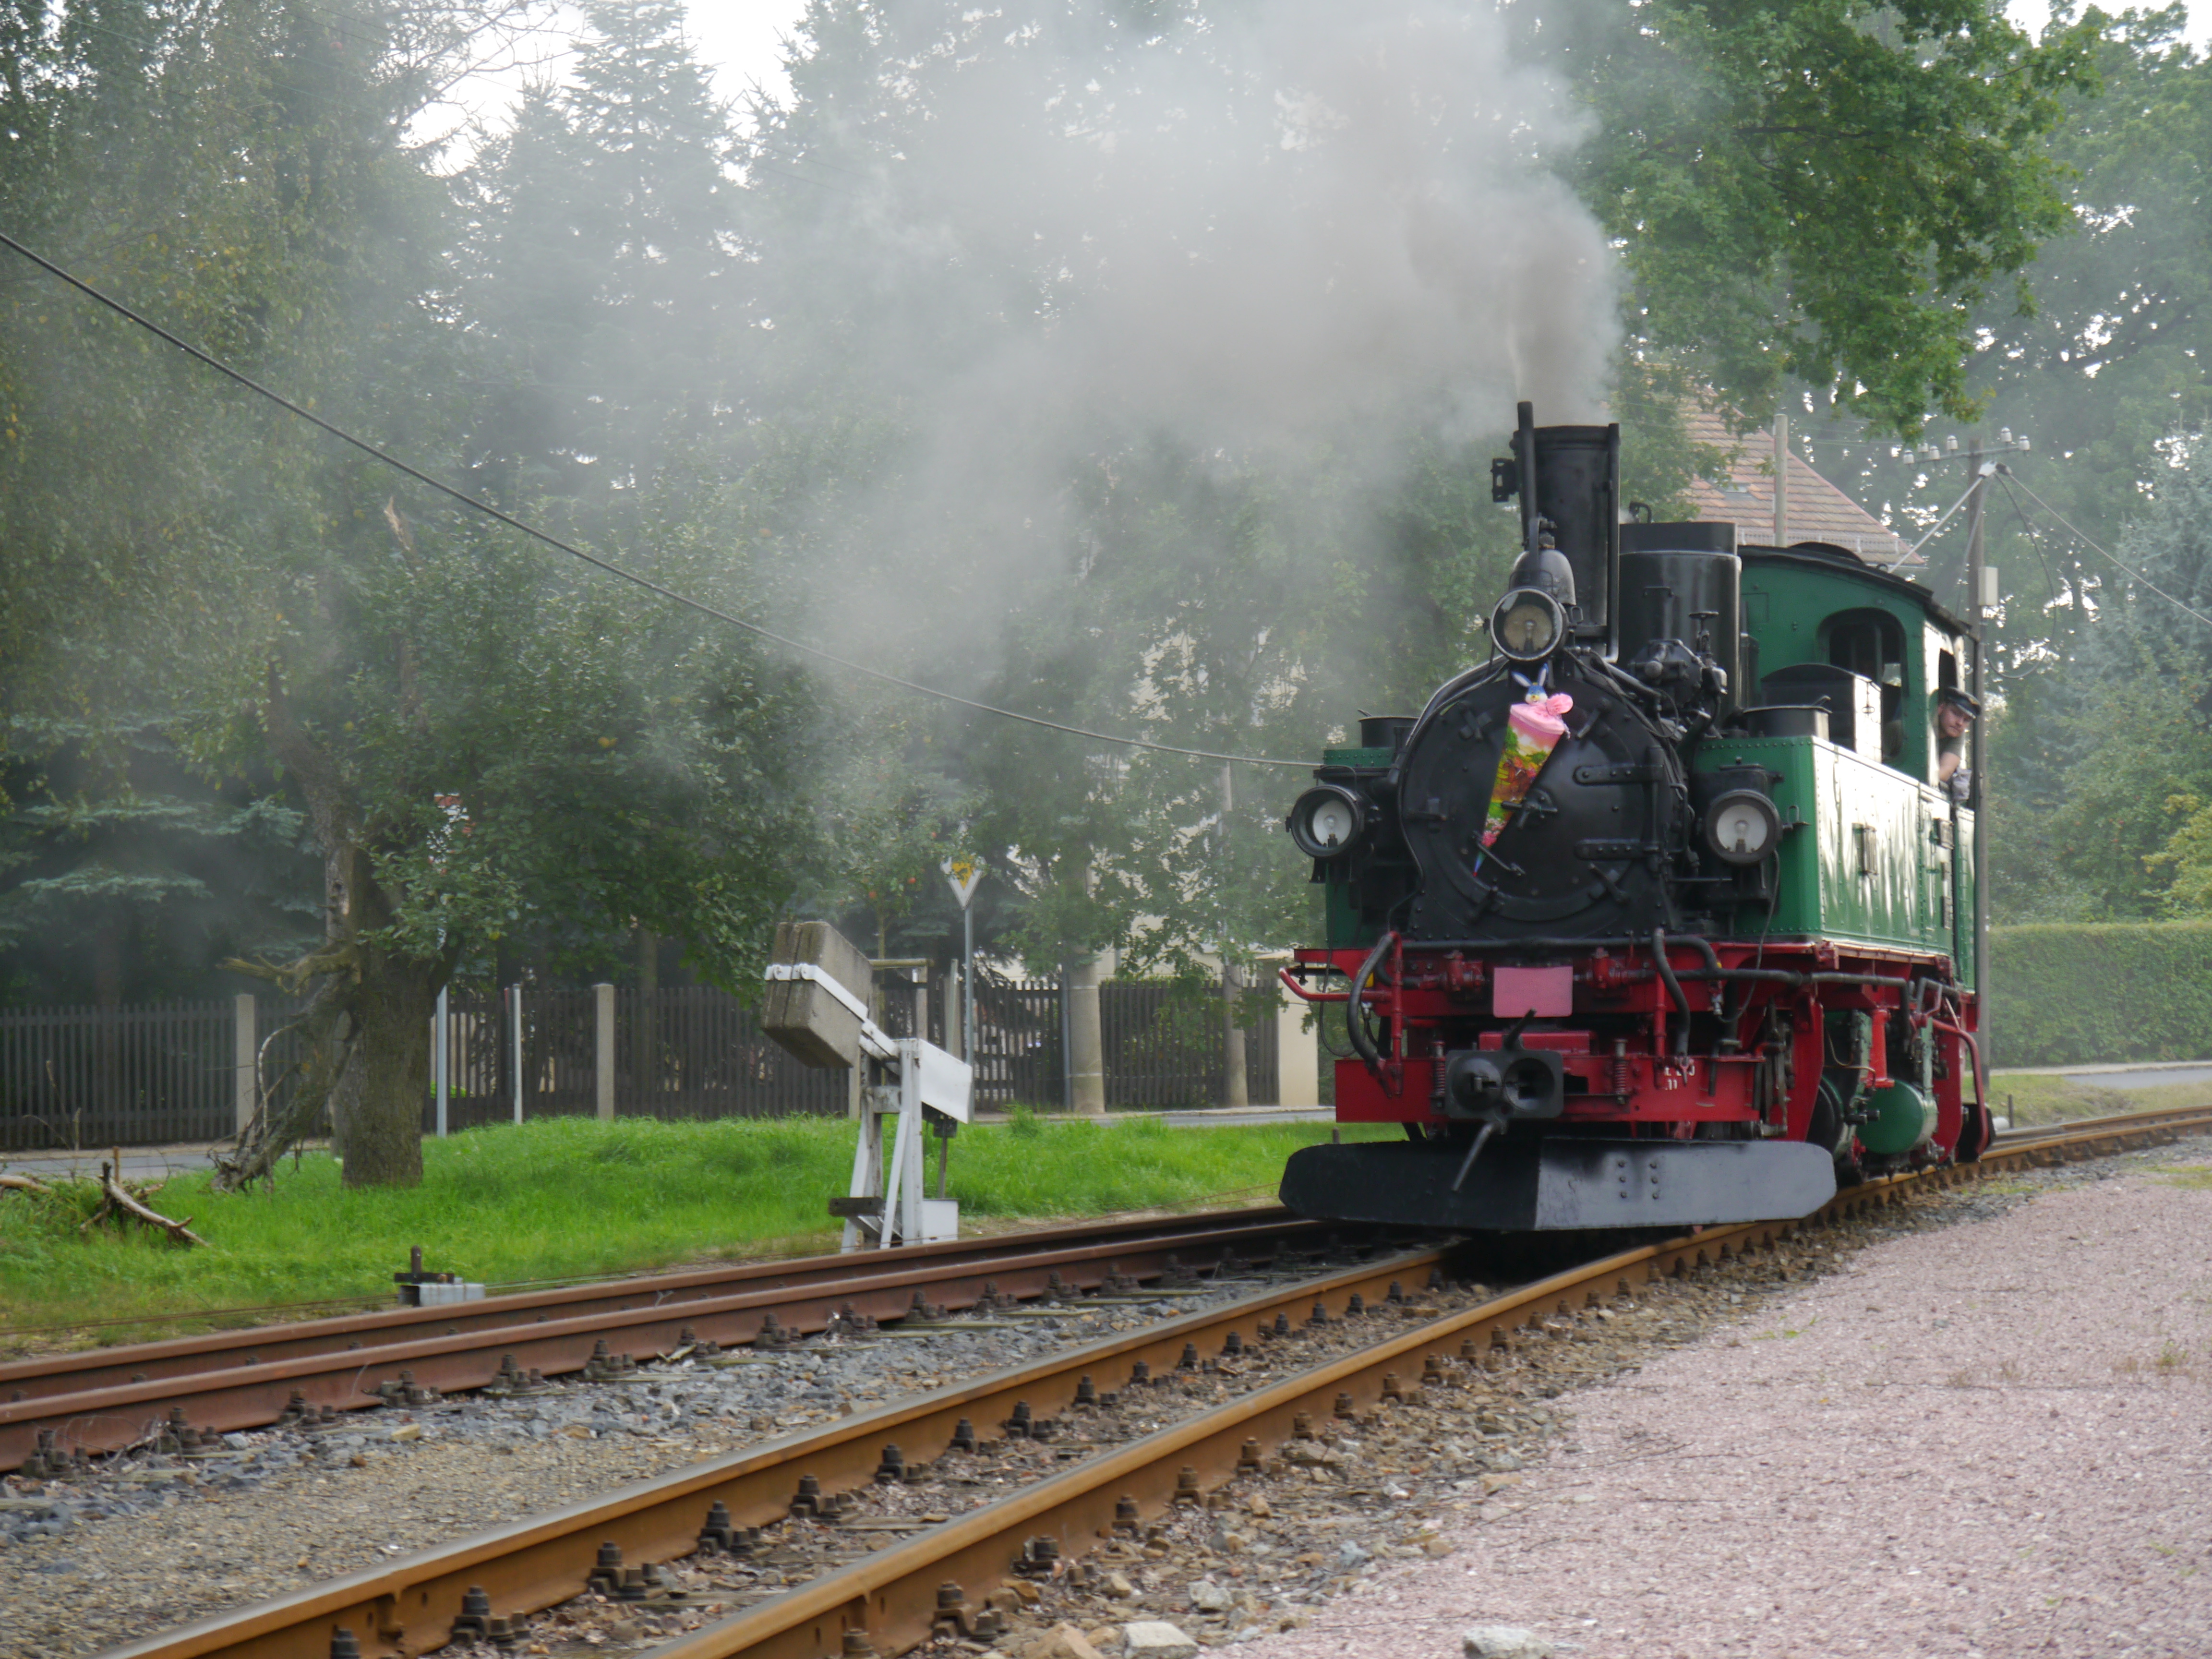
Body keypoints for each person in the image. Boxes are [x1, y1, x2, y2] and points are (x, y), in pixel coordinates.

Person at [1936, 687, 1979, 802]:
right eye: (1956, 713)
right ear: (1941, 708)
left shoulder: (1957, 735)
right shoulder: (1899, 729)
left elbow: (1946, 771)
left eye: (1966, 720)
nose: (1960, 723)